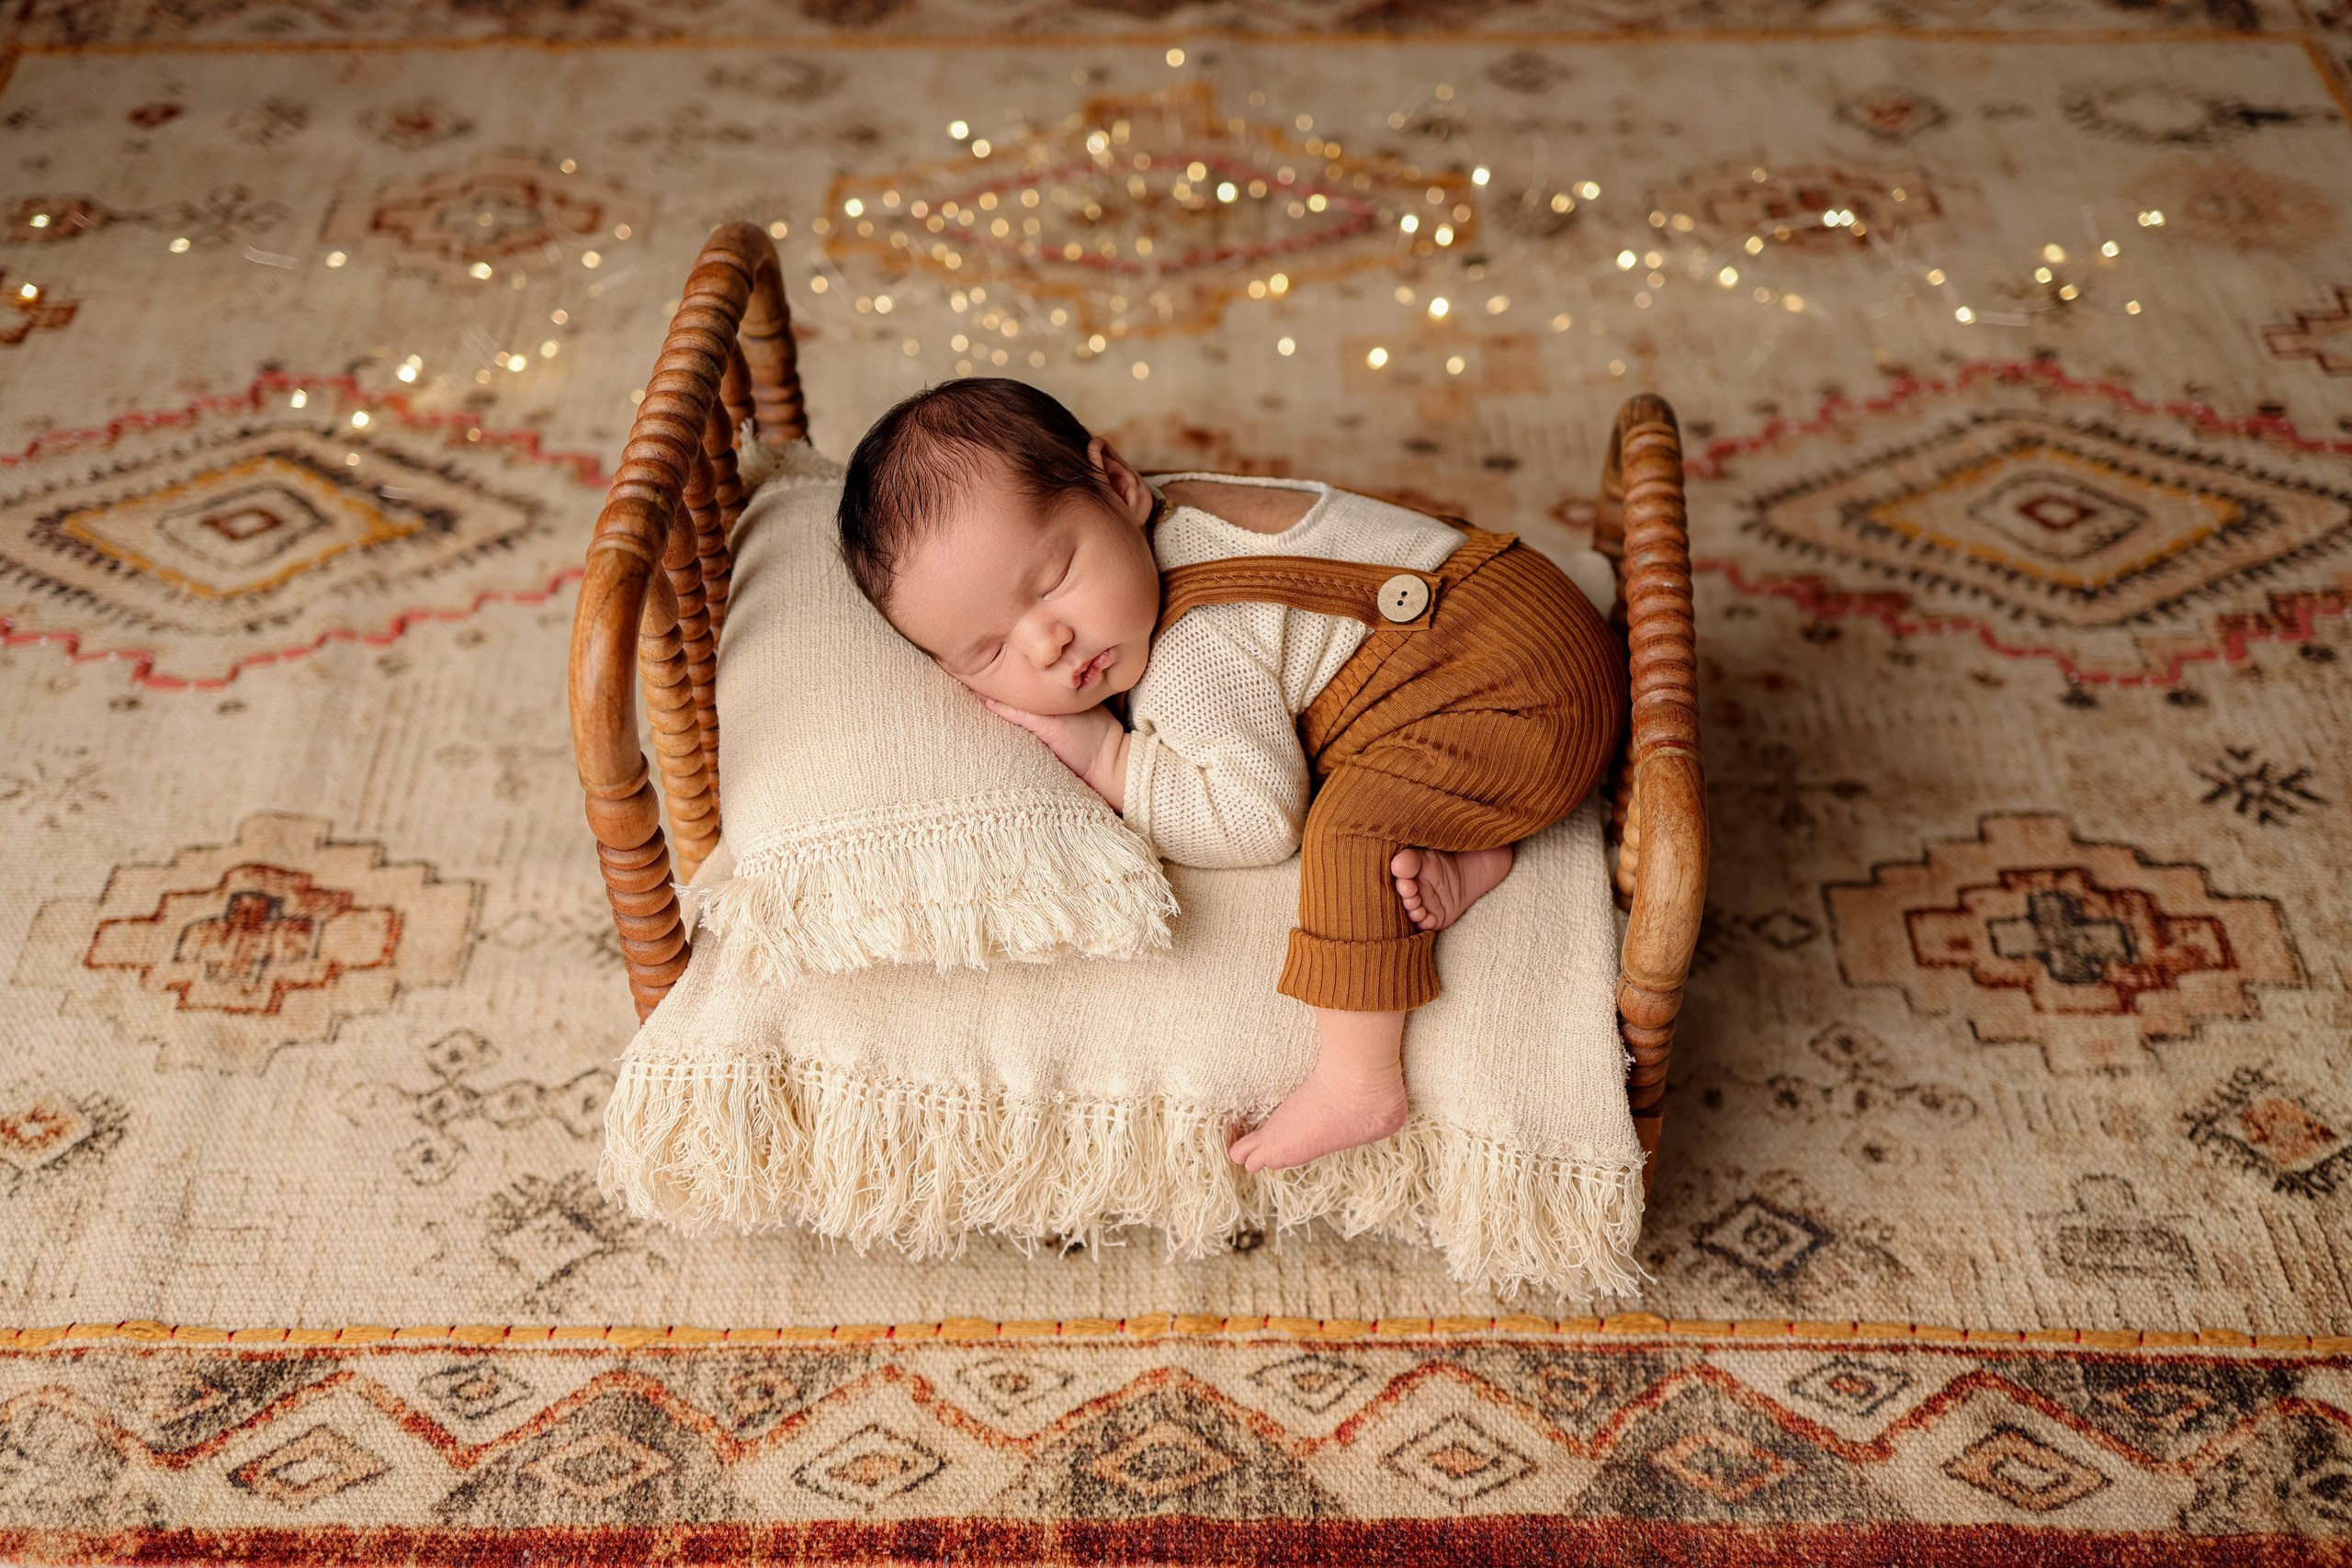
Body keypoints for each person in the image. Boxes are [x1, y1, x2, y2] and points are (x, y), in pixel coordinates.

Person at [836, 378, 1623, 1171]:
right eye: (990, 652)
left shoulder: (1192, 651)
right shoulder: (1168, 512)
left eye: (1051, 581)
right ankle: (1463, 855)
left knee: (1347, 831)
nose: (1048, 644)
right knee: (1386, 792)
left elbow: (1258, 821)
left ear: (1117, 484)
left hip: (1524, 701)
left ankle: (1360, 1081)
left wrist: (1108, 758)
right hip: (1522, 610)